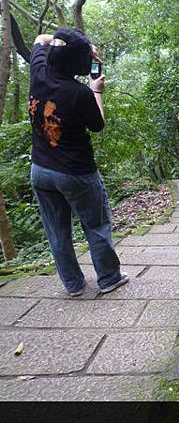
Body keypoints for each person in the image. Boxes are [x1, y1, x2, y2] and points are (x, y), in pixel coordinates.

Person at [28, 29, 128, 297]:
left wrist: (64, 43)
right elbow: (98, 125)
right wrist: (97, 91)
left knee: (57, 231)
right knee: (95, 224)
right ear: (81, 64)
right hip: (75, 172)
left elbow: (42, 39)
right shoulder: (79, 92)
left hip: (40, 170)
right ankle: (108, 278)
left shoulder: (38, 70)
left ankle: (73, 285)